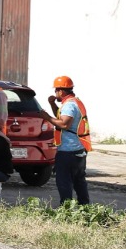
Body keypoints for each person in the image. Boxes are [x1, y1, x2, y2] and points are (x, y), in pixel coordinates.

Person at [46, 75, 92, 206]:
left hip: (68, 151)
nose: (55, 93)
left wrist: (46, 117)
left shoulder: (69, 105)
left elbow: (64, 124)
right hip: (78, 149)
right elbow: (61, 117)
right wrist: (52, 104)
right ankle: (85, 206)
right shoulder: (75, 102)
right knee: (79, 181)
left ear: (61, 91)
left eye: (56, 90)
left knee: (64, 181)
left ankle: (66, 209)